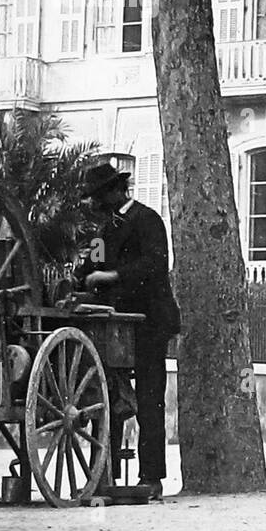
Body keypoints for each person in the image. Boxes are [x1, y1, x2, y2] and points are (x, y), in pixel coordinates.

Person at [74, 162, 181, 500]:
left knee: (149, 398)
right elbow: (90, 266)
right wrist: (77, 281)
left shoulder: (146, 220)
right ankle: (106, 475)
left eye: (97, 196)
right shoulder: (104, 230)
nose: (93, 203)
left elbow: (153, 264)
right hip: (115, 323)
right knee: (109, 396)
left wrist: (112, 277)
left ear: (114, 191)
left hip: (149, 320)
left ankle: (151, 477)